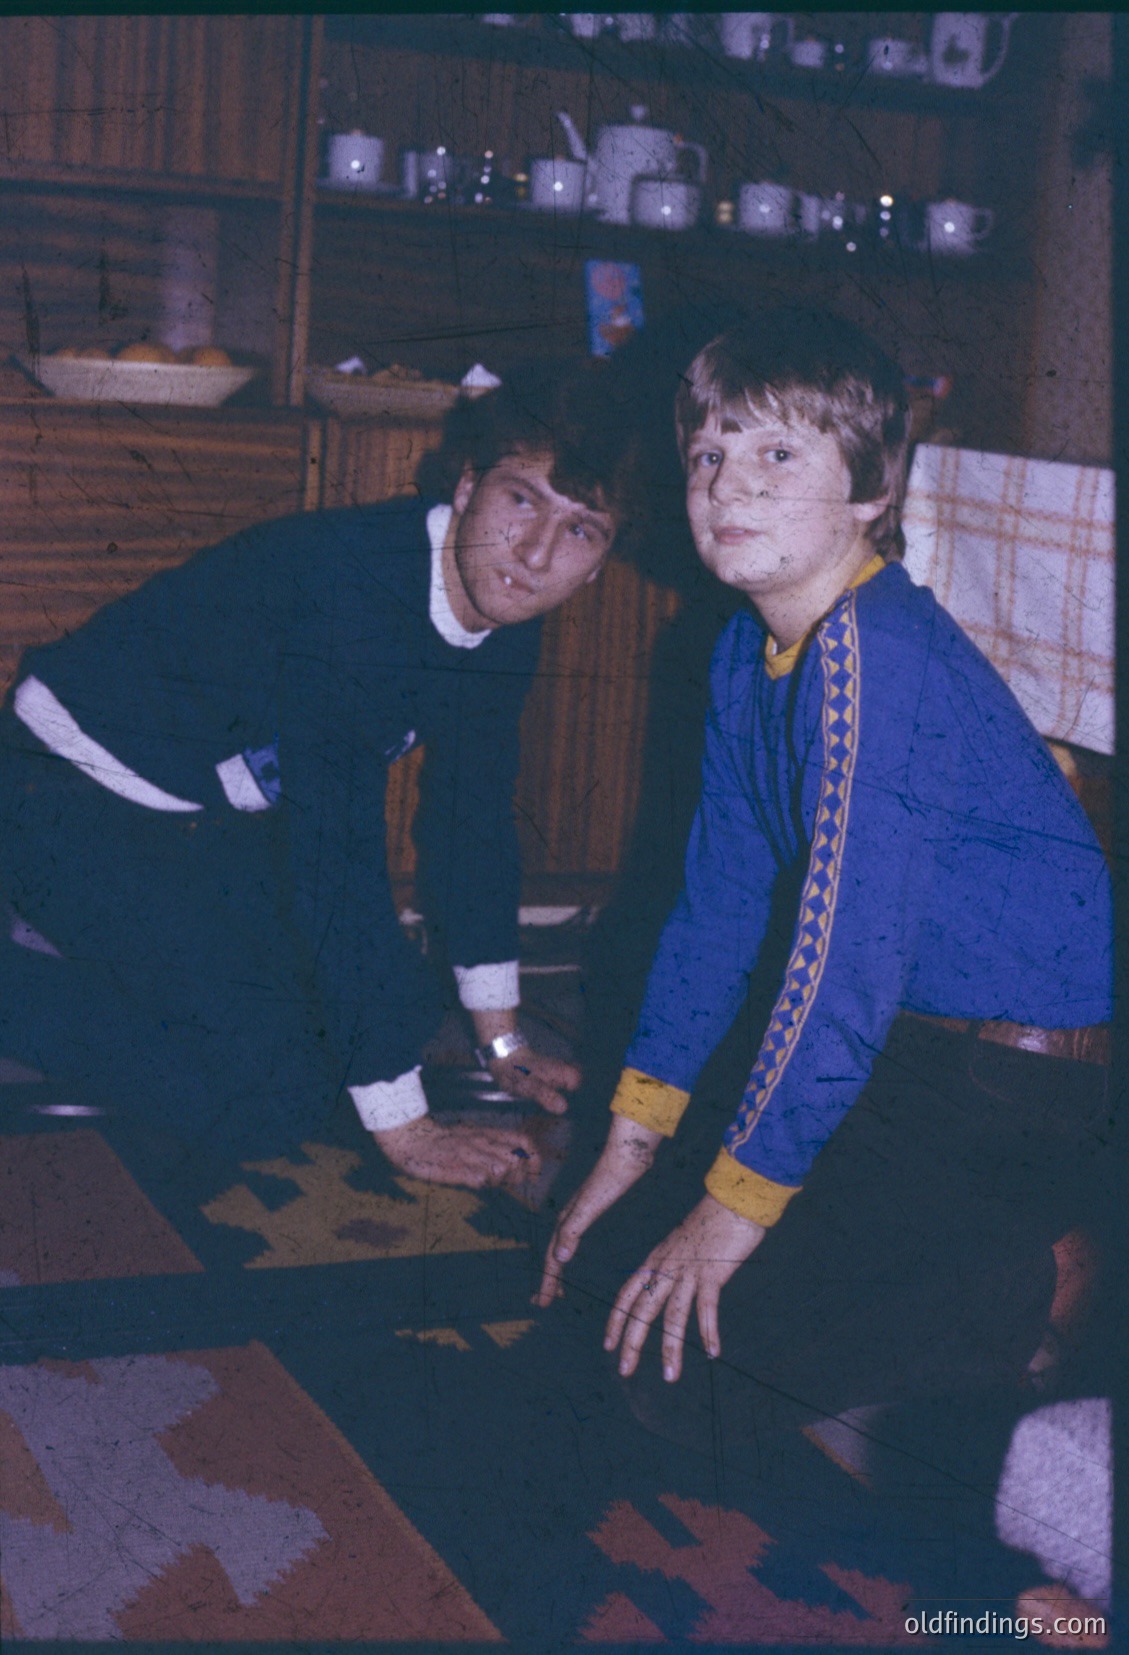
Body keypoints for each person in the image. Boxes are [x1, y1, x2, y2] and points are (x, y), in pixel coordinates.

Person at [537, 310, 1112, 1447]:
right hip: (907, 1043)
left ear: (871, 489)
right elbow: (715, 914)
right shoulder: (742, 652)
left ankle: (1029, 1265)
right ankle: (942, 1267)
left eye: (775, 454)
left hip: (1013, 1075)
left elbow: (836, 962)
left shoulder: (873, 654)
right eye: (708, 454)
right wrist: (626, 1146)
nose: (724, 487)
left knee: (673, 1373)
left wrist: (727, 1210)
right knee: (613, 1274)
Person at [0, 359, 637, 1188]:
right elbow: (333, 861)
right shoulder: (357, 591)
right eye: (522, 498)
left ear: (599, 563)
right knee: (273, 1092)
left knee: (394, 1014)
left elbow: (469, 821)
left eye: (580, 528)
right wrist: (407, 1129)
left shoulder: (504, 610)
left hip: (202, 814)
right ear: (470, 482)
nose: (537, 550)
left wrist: (502, 1039)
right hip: (63, 793)